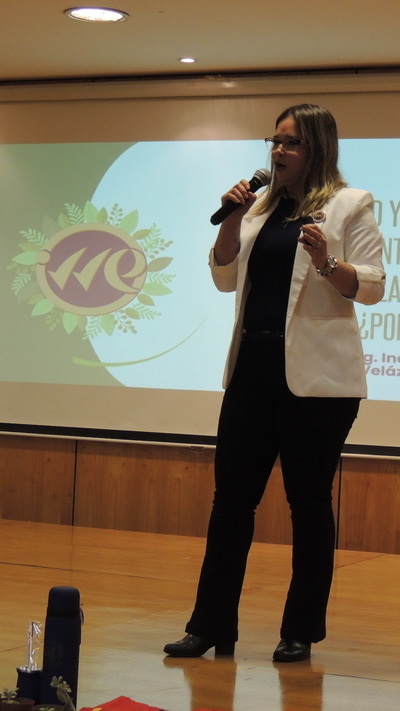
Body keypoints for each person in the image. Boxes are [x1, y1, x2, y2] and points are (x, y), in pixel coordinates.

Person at [163, 103, 385, 662]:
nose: (278, 152)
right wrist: (231, 219)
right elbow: (224, 277)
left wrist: (327, 262)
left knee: (308, 504)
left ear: (316, 149)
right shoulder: (259, 207)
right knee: (231, 502)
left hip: (319, 385)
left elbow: (373, 287)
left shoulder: (350, 204)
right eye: (275, 141)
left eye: (291, 143)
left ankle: (300, 630)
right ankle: (210, 625)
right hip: (252, 370)